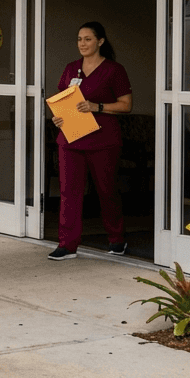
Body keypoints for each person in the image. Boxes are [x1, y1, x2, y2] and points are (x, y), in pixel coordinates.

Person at [48, 21, 132, 260]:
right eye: (79, 39)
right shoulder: (71, 68)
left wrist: (98, 106)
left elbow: (127, 105)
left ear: (100, 42)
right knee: (69, 193)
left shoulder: (114, 70)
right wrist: (59, 118)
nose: (82, 44)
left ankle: (116, 239)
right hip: (71, 139)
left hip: (103, 140)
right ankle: (67, 244)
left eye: (87, 39)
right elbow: (61, 101)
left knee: (107, 191)